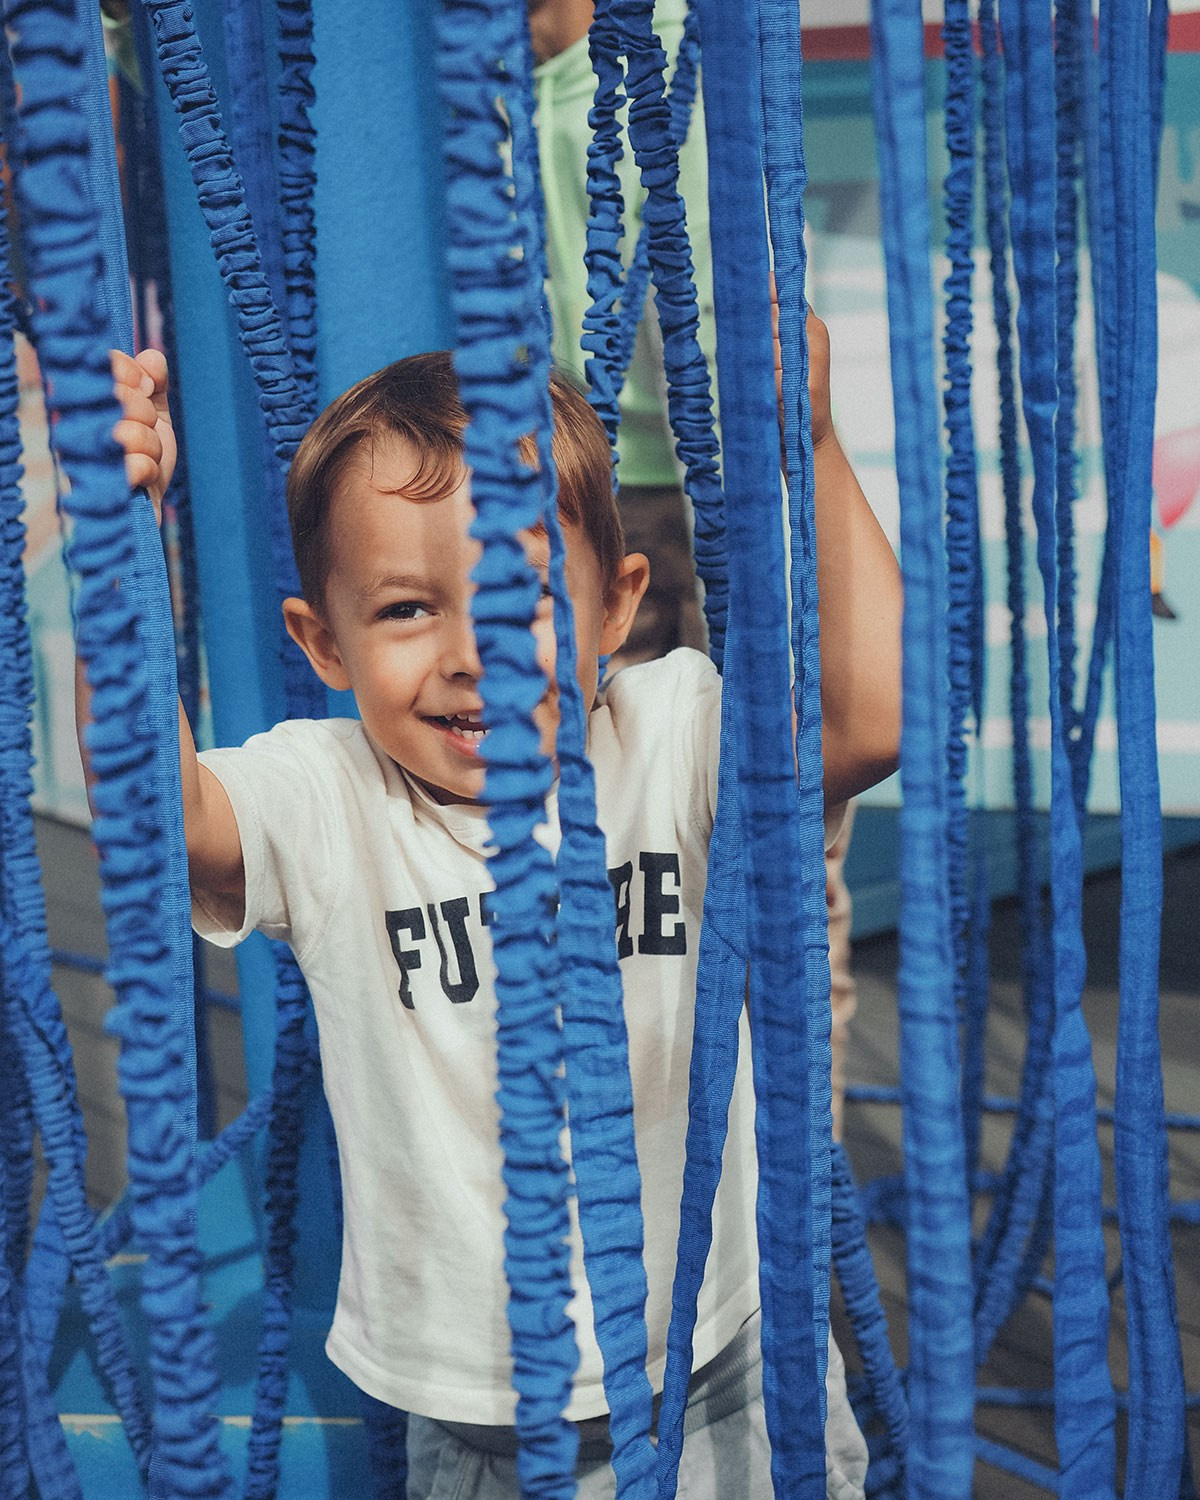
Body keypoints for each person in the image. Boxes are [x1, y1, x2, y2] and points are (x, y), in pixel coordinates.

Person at [104, 326, 900, 1498]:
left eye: (520, 597)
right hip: (482, 1419)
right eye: (407, 611)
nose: (475, 657)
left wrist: (814, 439)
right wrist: (121, 535)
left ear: (618, 605)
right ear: (323, 642)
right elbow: (153, 820)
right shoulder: (332, 797)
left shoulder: (667, 734)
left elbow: (868, 721)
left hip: (724, 1357)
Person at [532, 0, 865, 1140]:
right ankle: (635, 1125)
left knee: (770, 827)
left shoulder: (668, 53)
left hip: (707, 496)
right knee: (601, 832)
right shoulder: (501, 83)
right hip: (578, 494)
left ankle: (785, 1159)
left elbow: (744, 306)